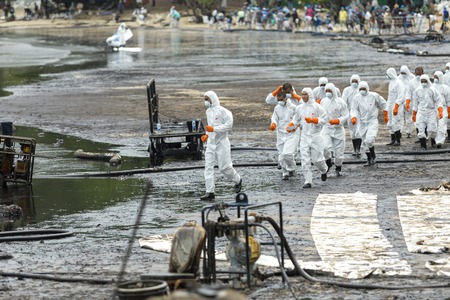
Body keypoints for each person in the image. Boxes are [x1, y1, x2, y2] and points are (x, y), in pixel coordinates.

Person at [200, 91, 242, 201]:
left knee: (224, 167)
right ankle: (210, 192)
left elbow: (228, 126)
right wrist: (207, 135)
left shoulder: (224, 112)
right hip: (211, 144)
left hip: (222, 143)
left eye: (207, 99)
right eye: (204, 99)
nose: (205, 102)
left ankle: (237, 180)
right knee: (208, 167)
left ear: (212, 99)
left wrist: (214, 130)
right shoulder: (208, 112)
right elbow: (210, 127)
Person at [286, 87, 328, 188]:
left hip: (316, 136)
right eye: (302, 94)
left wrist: (314, 120)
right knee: (304, 159)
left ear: (310, 95)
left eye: (305, 94)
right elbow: (296, 119)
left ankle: (324, 170)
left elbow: (325, 119)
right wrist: (291, 124)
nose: (303, 96)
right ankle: (308, 180)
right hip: (304, 136)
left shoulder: (317, 107)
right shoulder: (299, 108)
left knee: (317, 160)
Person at [351, 81, 388, 166]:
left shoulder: (374, 96)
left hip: (372, 121)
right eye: (360, 89)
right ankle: (369, 159)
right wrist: (353, 117)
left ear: (367, 88)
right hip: (362, 123)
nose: (362, 90)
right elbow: (354, 109)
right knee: (364, 142)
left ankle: (373, 155)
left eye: (363, 89)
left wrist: (386, 114)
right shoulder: (357, 98)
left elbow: (383, 104)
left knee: (370, 139)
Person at [320, 83, 349, 177]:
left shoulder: (341, 102)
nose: (328, 93)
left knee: (339, 152)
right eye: (326, 91)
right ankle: (328, 163)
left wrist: (338, 121)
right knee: (325, 147)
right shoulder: (323, 101)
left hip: (338, 130)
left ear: (334, 91)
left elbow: (345, 115)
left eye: (330, 91)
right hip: (326, 128)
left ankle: (338, 167)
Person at [269, 91, 299, 180]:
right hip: (280, 133)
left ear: (286, 98)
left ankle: (291, 168)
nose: (280, 101)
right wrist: (273, 123)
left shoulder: (293, 108)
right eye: (278, 100)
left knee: (288, 154)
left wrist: (293, 125)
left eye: (281, 99)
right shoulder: (277, 108)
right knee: (281, 155)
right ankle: (285, 173)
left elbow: (298, 118)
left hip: (291, 134)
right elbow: (274, 118)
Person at [412, 74, 443, 150]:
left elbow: (438, 101)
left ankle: (433, 143)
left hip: (431, 112)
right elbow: (415, 104)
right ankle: (423, 146)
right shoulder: (417, 90)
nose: (423, 83)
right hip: (421, 112)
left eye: (425, 81)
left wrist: (440, 111)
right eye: (422, 81)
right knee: (421, 129)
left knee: (432, 129)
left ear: (428, 81)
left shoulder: (433, 90)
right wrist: (414, 114)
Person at [342, 74, 362, 156]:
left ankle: (359, 149)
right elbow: (343, 101)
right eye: (353, 81)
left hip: (360, 112)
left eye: (356, 81)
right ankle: (354, 149)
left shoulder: (361, 89)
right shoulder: (347, 90)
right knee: (352, 131)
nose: (354, 83)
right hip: (350, 112)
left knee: (359, 130)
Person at [387, 67, 406, 146]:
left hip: (397, 105)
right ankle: (393, 139)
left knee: (396, 122)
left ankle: (398, 140)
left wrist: (396, 106)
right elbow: (390, 95)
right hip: (391, 104)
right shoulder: (391, 82)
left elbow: (401, 95)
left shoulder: (399, 82)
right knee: (390, 122)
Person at [432, 71, 450, 148]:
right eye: (434, 77)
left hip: (443, 108)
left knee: (442, 124)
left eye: (437, 77)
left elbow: (448, 99)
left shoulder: (445, 88)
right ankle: (433, 140)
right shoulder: (431, 87)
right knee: (433, 124)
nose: (435, 78)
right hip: (433, 108)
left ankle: (439, 142)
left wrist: (449, 109)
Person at [398, 65, 415, 138]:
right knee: (400, 116)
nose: (403, 74)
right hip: (401, 99)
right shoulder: (398, 78)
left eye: (404, 73)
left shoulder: (412, 77)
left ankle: (409, 132)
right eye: (402, 73)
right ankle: (400, 131)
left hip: (410, 100)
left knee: (409, 116)